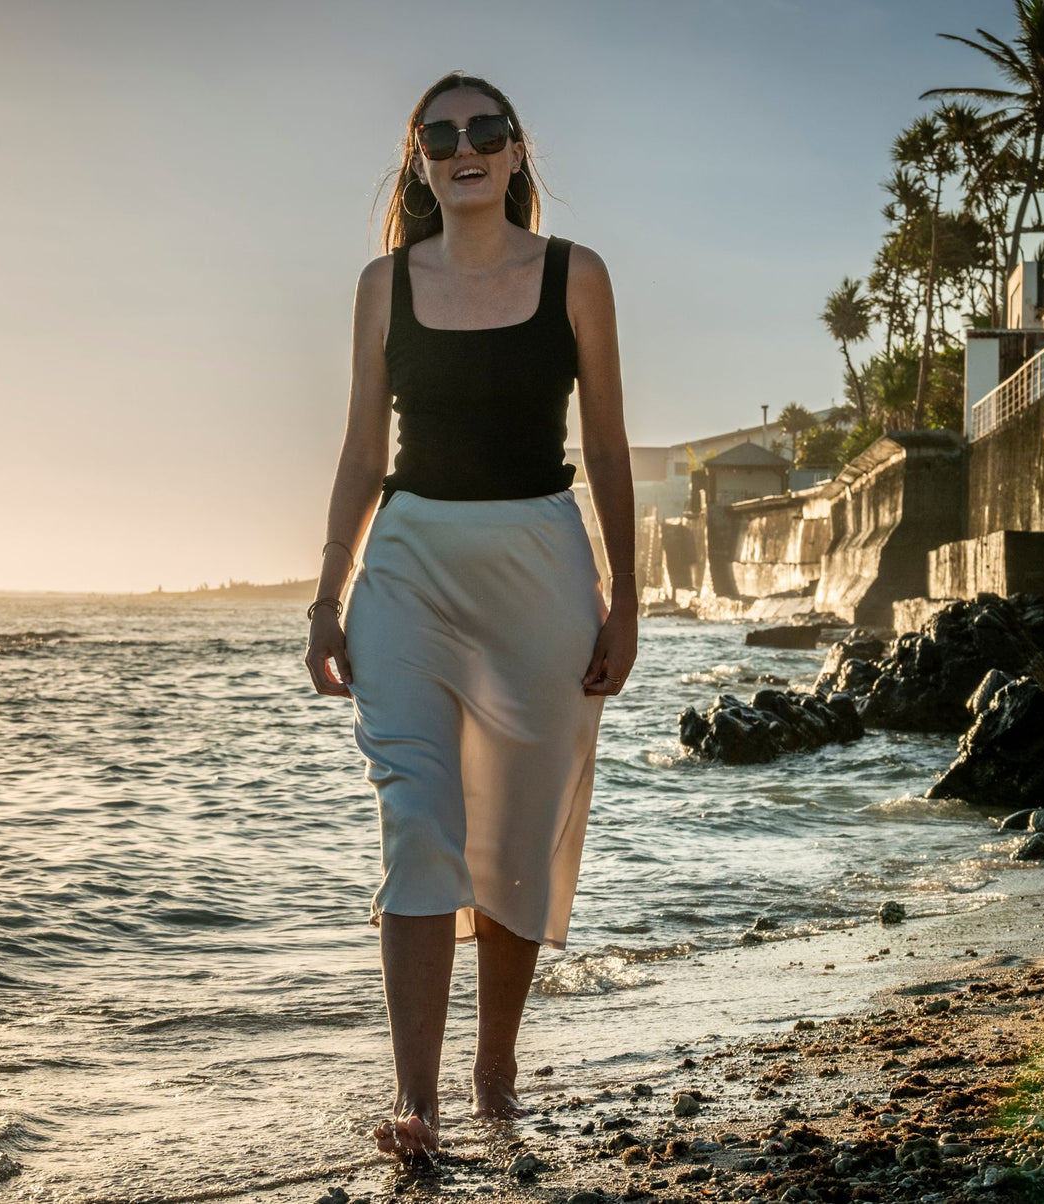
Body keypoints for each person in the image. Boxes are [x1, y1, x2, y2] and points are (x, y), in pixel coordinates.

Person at [302, 71, 637, 1160]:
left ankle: (493, 1068)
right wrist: (323, 595)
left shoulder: (575, 277)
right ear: (417, 163)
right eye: (438, 135)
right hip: (406, 569)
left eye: (481, 129)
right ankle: (420, 1101)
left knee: (513, 845)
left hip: (540, 564)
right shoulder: (381, 285)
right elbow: (361, 452)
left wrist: (626, 597)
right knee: (418, 827)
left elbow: (609, 451)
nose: (462, 147)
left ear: (512, 149)